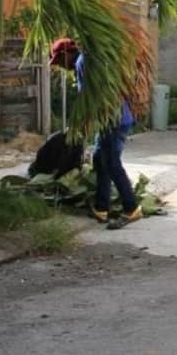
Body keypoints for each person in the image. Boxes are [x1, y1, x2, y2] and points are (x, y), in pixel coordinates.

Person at [48, 37, 142, 230]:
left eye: (59, 61)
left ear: (67, 54)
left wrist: (80, 126)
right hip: (113, 118)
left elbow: (89, 99)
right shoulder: (87, 61)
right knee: (100, 159)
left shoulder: (83, 62)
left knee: (112, 162)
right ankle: (101, 207)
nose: (61, 67)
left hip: (113, 120)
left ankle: (131, 207)